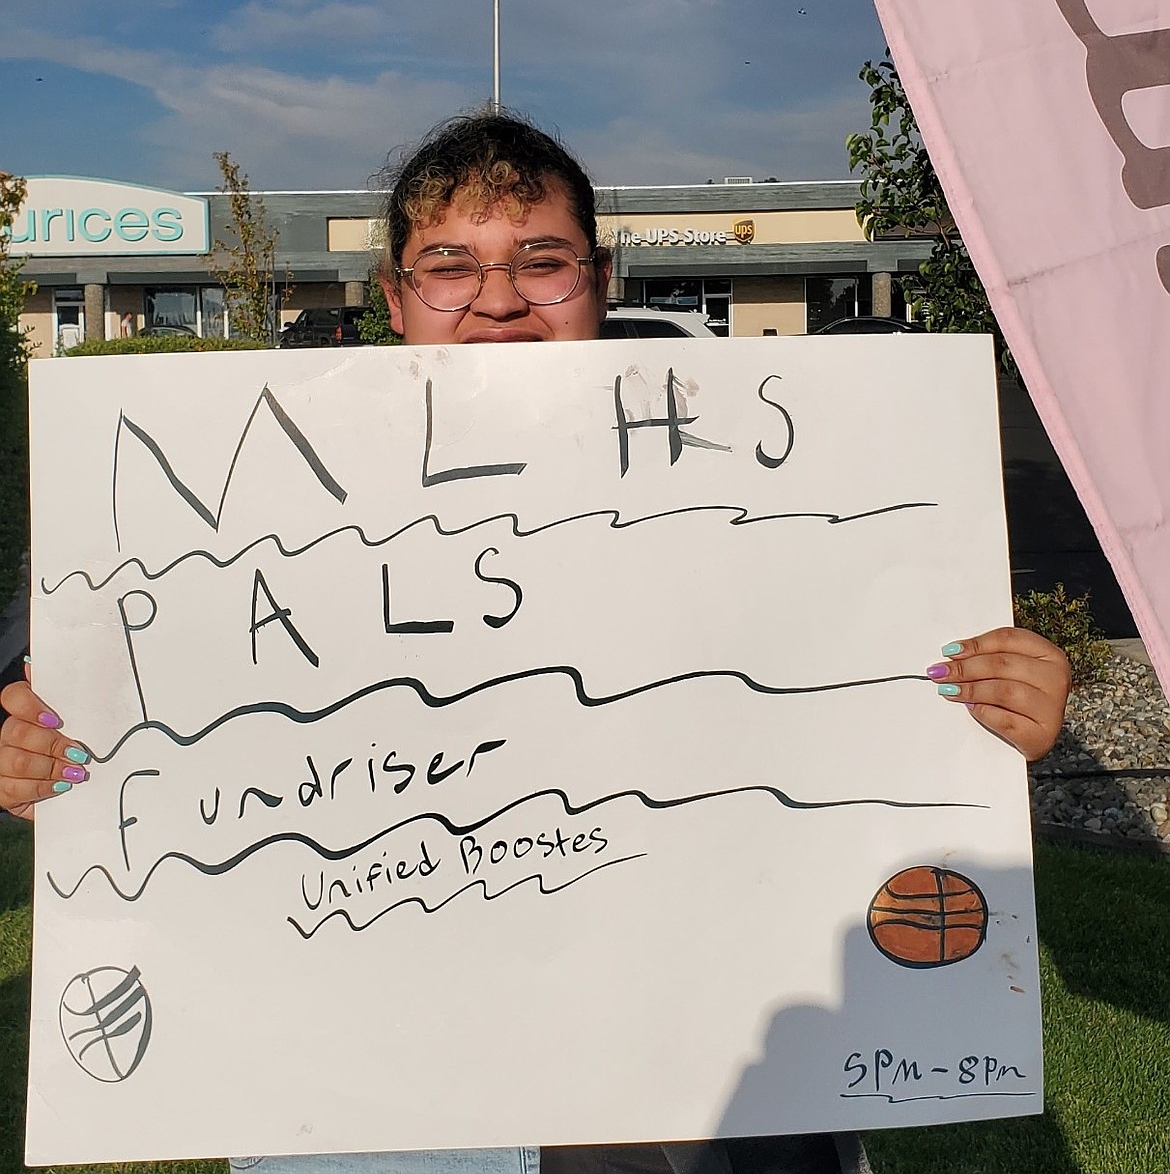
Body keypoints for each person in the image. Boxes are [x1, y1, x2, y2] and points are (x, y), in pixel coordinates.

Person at [0, 111, 1072, 1174]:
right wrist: (43, 747)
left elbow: (859, 693)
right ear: (394, 296)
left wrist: (985, 713)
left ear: (599, 279)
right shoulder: (250, 483)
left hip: (719, 1089)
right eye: (450, 267)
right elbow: (102, 694)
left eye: (541, 261)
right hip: (379, 1120)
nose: (499, 300)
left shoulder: (767, 478)